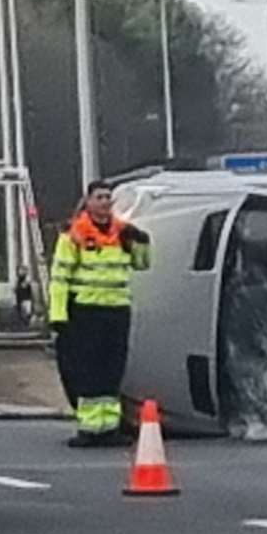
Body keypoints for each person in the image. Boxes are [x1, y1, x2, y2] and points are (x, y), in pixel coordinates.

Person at [50, 180, 152, 447]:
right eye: (100, 197)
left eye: (109, 197)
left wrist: (142, 242)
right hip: (87, 311)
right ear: (89, 201)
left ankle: (108, 426)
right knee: (89, 371)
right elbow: (60, 277)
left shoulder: (122, 233)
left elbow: (142, 265)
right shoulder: (74, 234)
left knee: (112, 371)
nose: (106, 202)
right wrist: (58, 315)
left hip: (117, 311)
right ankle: (89, 426)